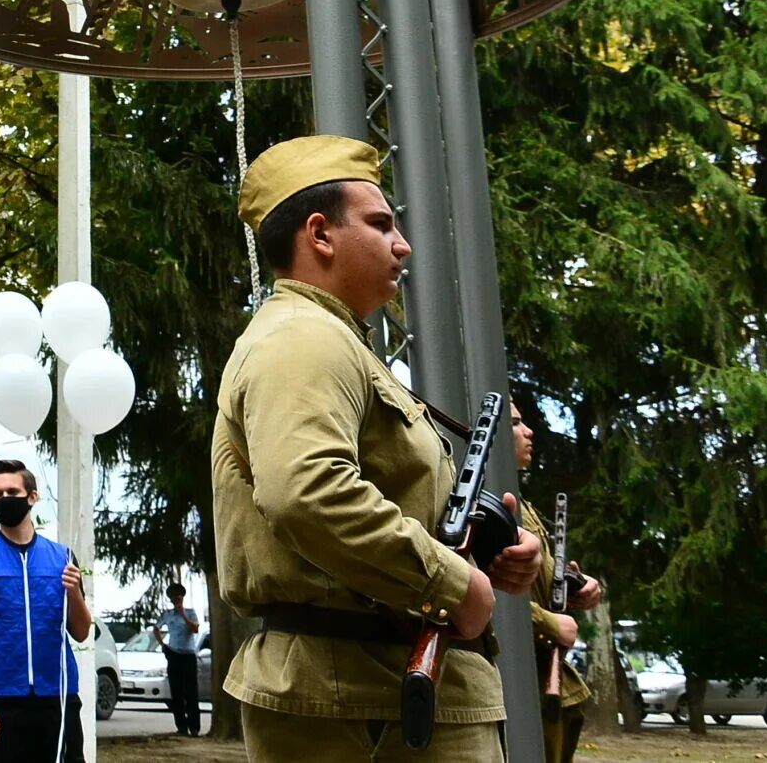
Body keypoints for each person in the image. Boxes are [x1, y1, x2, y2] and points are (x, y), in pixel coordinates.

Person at [211, 134, 545, 763]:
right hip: (362, 697)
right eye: (381, 223)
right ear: (320, 234)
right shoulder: (305, 338)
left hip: (378, 690)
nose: (403, 244)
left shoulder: (335, 341)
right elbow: (307, 492)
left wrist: (493, 551)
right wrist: (455, 585)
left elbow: (394, 499)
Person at [0, 459, 92, 763]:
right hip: (2, 699)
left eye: (12, 491)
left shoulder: (62, 557)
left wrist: (74, 593)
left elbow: (82, 631)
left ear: (32, 497)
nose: (5, 499)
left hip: (58, 697)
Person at [512, 403, 602, 763]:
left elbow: (540, 581)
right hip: (516, 679)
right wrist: (549, 624)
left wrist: (577, 584)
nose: (529, 431)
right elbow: (478, 587)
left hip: (541, 675)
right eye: (516, 423)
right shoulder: (487, 504)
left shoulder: (523, 505)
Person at [152, 582, 204, 738]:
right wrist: (163, 645)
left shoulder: (190, 612)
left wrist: (183, 615)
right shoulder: (168, 614)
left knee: (191, 692)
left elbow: (195, 629)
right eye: (174, 598)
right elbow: (156, 628)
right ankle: (181, 726)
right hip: (173, 654)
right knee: (176, 692)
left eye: (179, 598)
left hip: (188, 655)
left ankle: (194, 727)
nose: (177, 601)